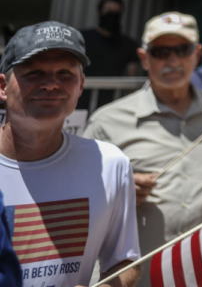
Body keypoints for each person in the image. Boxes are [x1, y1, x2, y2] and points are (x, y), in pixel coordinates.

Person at [81, 13, 202, 287]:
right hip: (141, 278)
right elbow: (80, 202)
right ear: (144, 57)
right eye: (161, 52)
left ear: (197, 54)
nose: (173, 60)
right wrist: (119, 193)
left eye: (182, 50)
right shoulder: (108, 122)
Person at [0, 22, 140, 287]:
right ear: (3, 87)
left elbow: (124, 260)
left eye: (65, 73)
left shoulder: (109, 164)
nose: (51, 84)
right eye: (34, 72)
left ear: (80, 85)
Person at [81, 0, 141, 107]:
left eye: (117, 13)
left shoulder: (128, 45)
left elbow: (131, 80)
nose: (113, 17)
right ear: (99, 13)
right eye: (109, 12)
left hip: (111, 104)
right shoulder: (82, 39)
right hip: (79, 103)